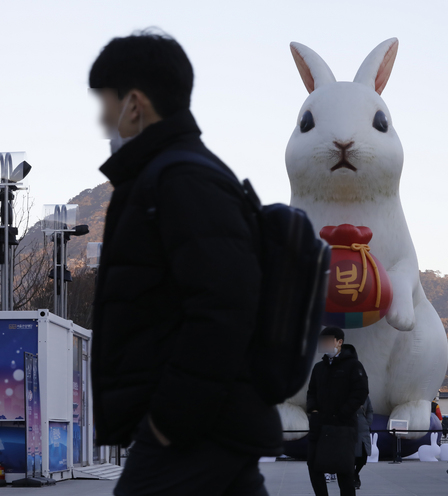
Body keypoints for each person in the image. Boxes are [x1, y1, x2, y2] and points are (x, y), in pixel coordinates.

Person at [89, 31, 280, 496]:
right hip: (211, 423)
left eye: (106, 103)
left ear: (134, 103)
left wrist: (168, 422)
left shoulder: (180, 179)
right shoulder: (173, 174)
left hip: (195, 430)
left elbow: (224, 308)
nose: (102, 119)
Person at [307, 329, 369, 496]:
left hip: (343, 426)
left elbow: (361, 392)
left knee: (344, 471)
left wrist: (342, 413)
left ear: (339, 342)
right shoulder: (318, 367)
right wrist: (313, 411)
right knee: (313, 466)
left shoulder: (354, 366)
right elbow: (311, 391)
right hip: (320, 425)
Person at [354, 395, 373, 490]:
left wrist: (368, 421)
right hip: (350, 426)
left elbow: (369, 410)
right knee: (352, 456)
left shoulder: (364, 395)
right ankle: (354, 477)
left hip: (363, 427)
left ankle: (355, 473)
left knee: (363, 456)